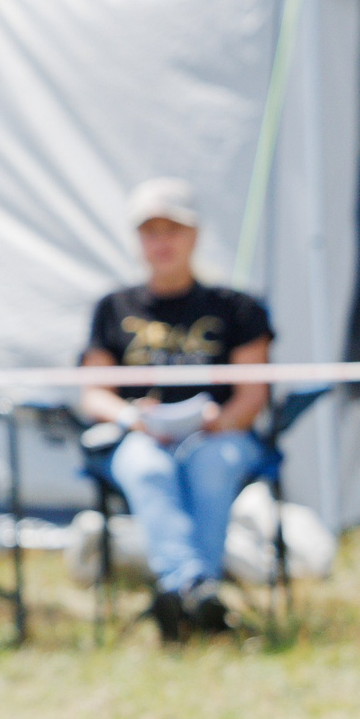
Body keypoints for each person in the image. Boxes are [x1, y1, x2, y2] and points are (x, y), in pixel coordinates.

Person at [77, 180, 273, 641]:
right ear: (138, 240)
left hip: (220, 435)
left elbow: (253, 393)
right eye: (151, 231)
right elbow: (92, 393)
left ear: (195, 235)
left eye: (173, 230)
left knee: (211, 464)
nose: (162, 242)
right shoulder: (113, 307)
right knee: (147, 469)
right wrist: (132, 418)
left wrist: (218, 423)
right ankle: (198, 589)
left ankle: (178, 594)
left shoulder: (237, 308)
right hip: (142, 435)